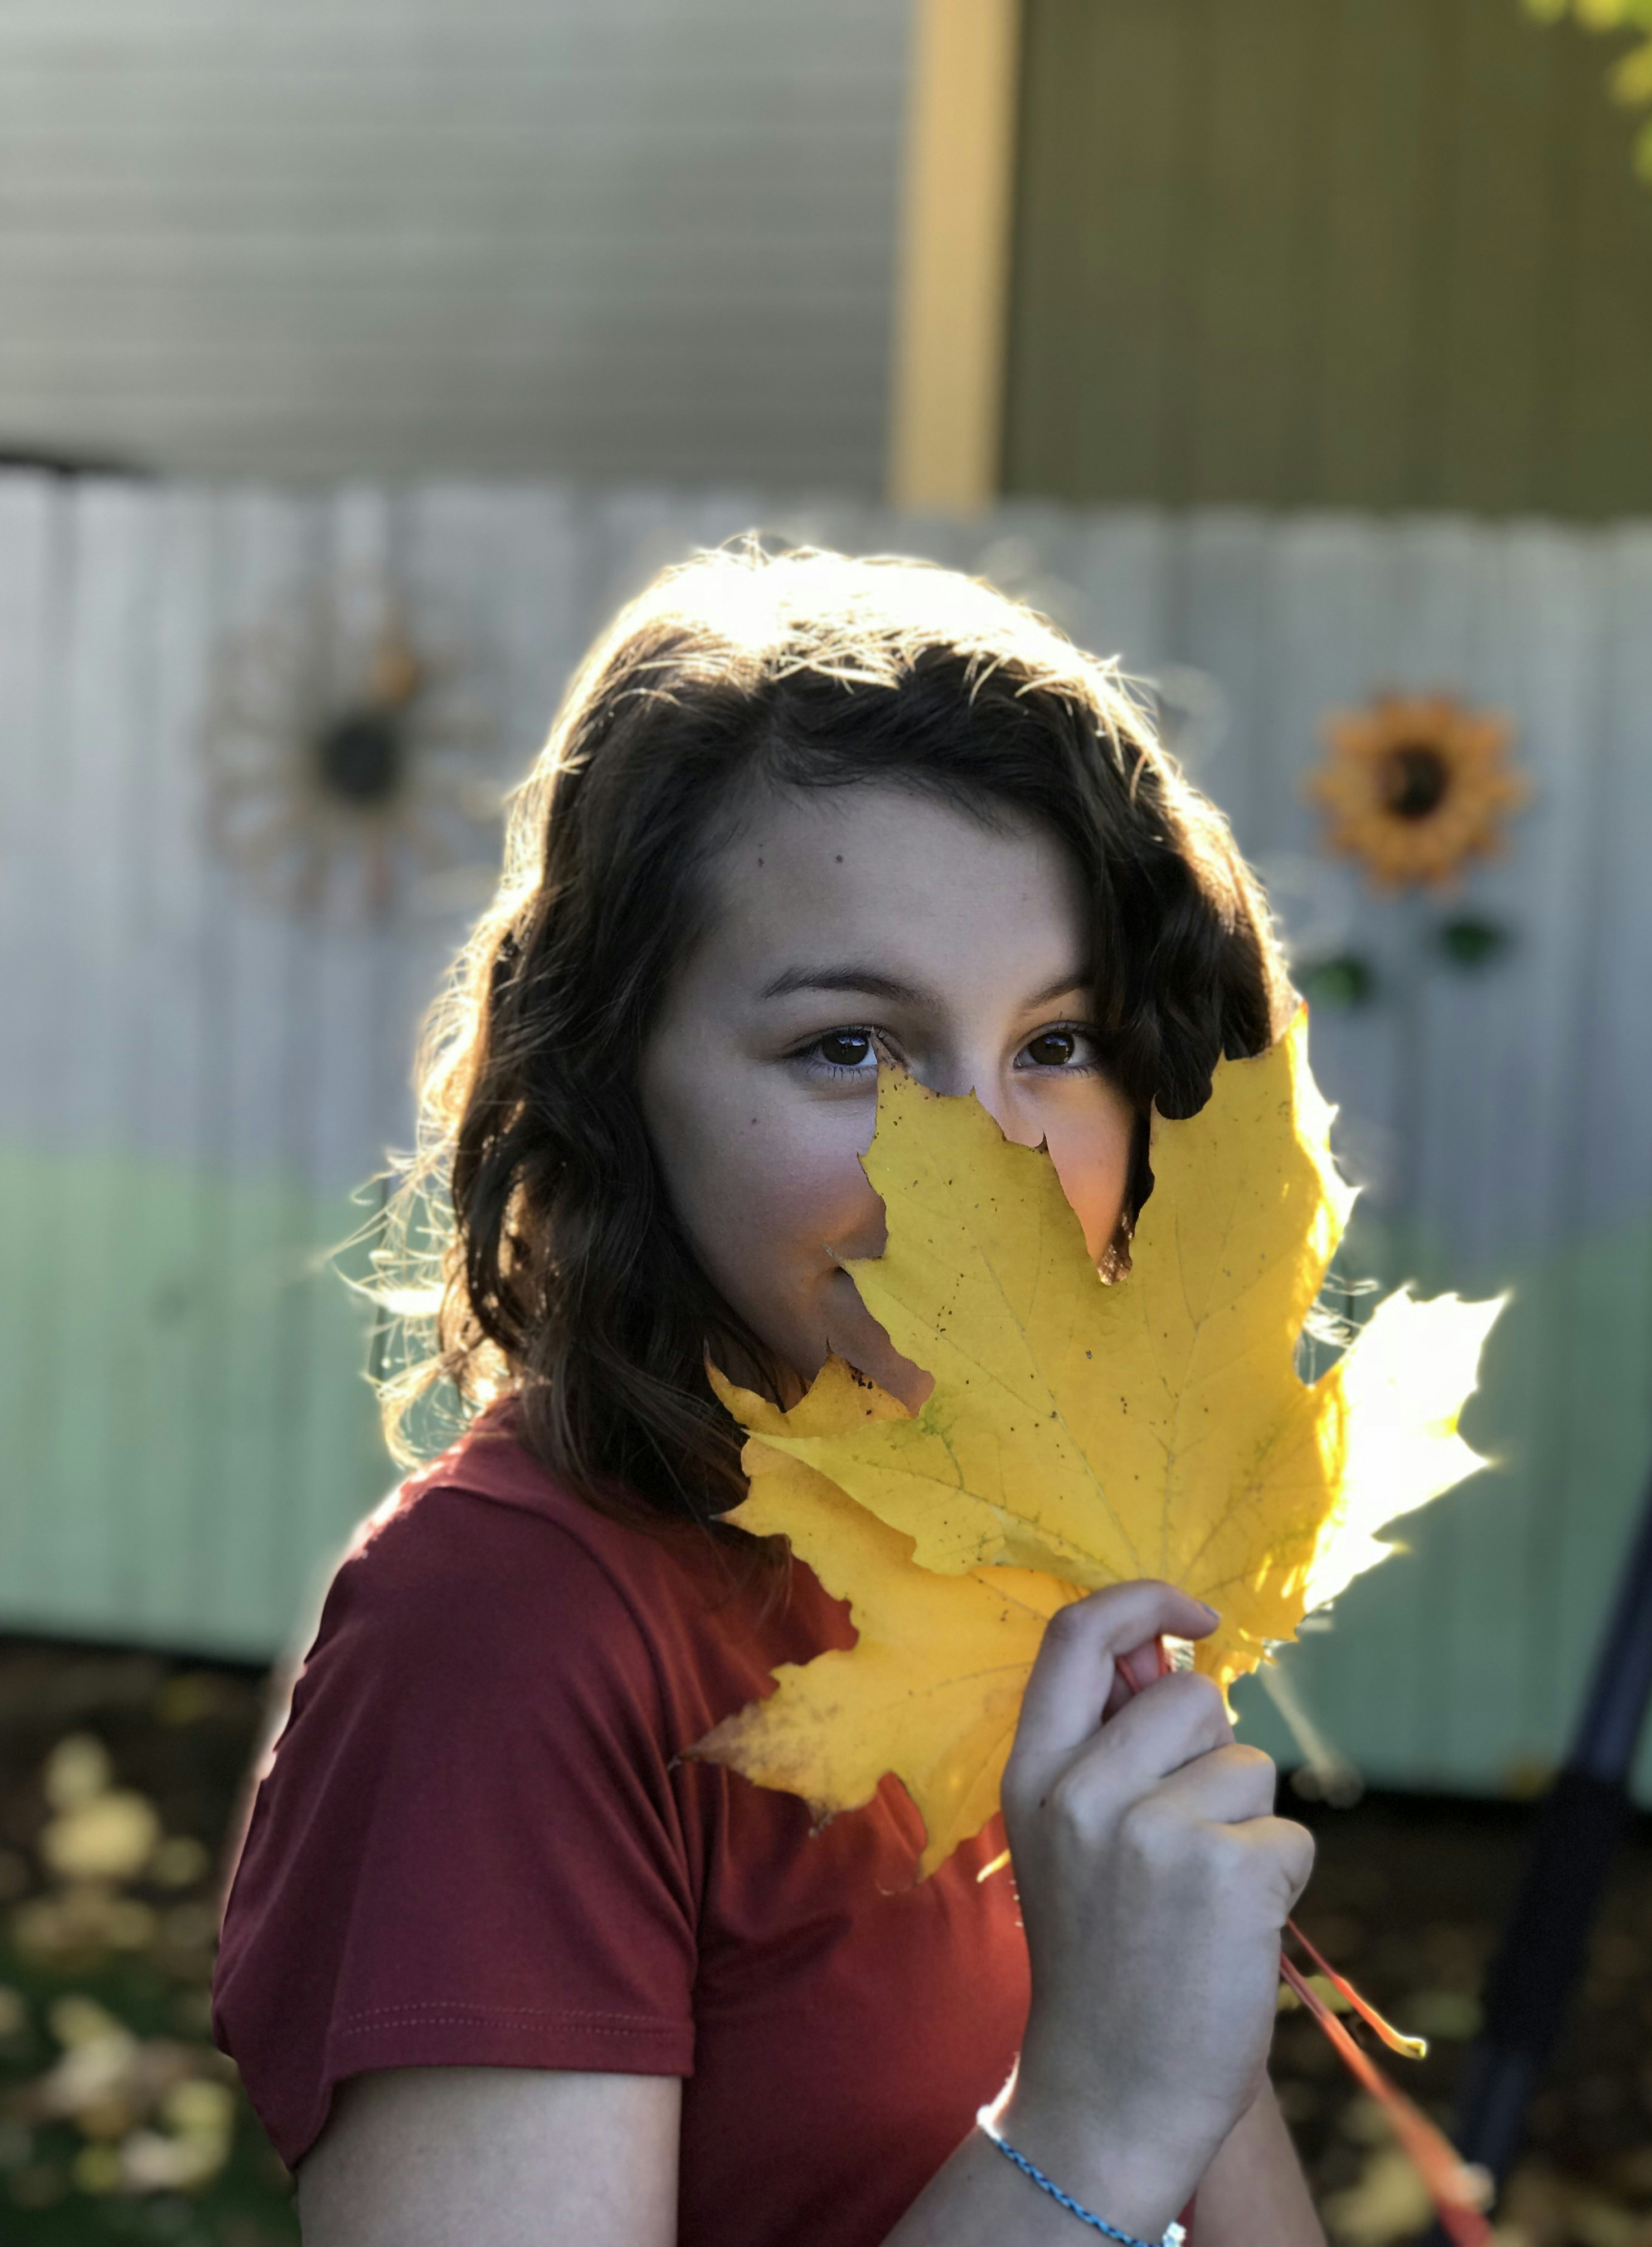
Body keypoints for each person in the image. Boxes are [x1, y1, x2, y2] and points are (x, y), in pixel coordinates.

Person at [212, 546, 1323, 2247]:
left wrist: (1175, 2072)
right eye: (852, 1048)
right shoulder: (505, 1632)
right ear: (606, 1079)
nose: (995, 1174)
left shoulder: (1042, 1555)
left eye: (1059, 1044)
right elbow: (1132, 2121)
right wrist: (1092, 2123)